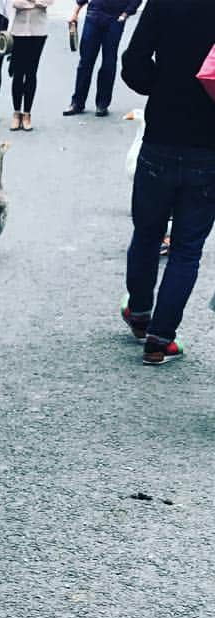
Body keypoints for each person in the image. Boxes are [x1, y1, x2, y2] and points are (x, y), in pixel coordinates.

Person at [120, 0, 215, 364]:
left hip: (161, 136)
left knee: (146, 233)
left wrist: (162, 84)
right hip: (209, 147)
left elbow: (134, 65)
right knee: (187, 250)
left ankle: (140, 314)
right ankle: (160, 341)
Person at [62, 0, 142, 117]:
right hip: (94, 15)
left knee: (108, 63)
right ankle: (77, 103)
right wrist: (75, 12)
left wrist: (125, 14)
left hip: (115, 18)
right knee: (85, 62)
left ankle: (102, 104)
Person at [9, 0, 55, 132]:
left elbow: (48, 2)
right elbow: (14, 2)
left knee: (31, 72)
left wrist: (30, 2)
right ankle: (16, 113)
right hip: (18, 30)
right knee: (18, 73)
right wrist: (35, 3)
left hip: (38, 30)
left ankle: (27, 114)